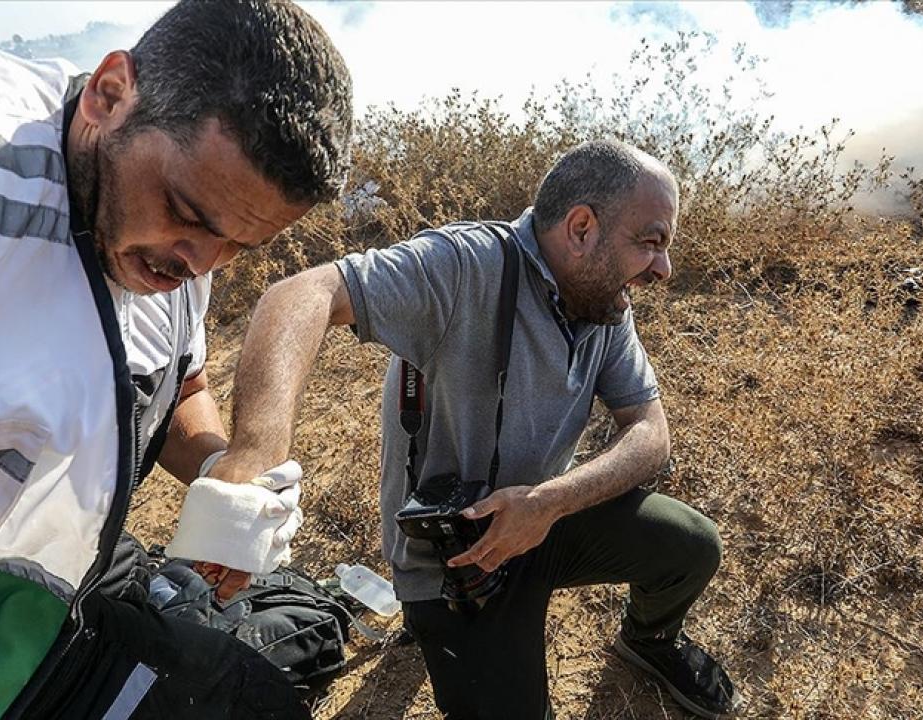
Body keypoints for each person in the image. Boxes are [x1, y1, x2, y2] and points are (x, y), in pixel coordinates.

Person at [0, 1, 350, 717]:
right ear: (110, 94)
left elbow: (176, 381)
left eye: (243, 246)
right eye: (188, 213)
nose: (202, 263)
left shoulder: (187, 230)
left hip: (30, 608)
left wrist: (220, 473)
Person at [212, 139, 744, 719]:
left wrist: (549, 502)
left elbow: (650, 430)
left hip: (544, 519)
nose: (664, 269)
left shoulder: (602, 299)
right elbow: (301, 294)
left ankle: (648, 642)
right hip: (452, 561)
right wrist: (254, 457)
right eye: (651, 243)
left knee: (691, 546)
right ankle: (430, 622)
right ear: (582, 228)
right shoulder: (465, 265)